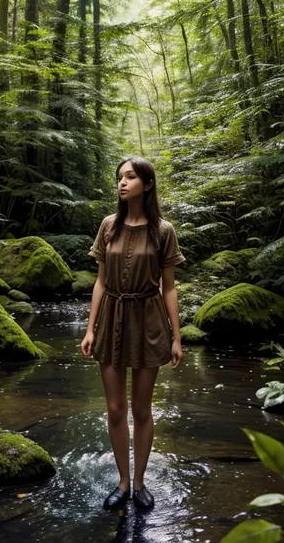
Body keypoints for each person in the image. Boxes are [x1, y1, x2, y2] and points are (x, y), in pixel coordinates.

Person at [80, 156, 185, 512]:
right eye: (119, 178)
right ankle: (122, 482)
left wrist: (176, 336)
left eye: (130, 177)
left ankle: (140, 483)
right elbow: (100, 281)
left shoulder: (163, 231)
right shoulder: (109, 225)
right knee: (114, 408)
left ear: (148, 184)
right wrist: (90, 328)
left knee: (141, 408)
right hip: (111, 317)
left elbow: (168, 287)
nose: (122, 183)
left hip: (149, 318)